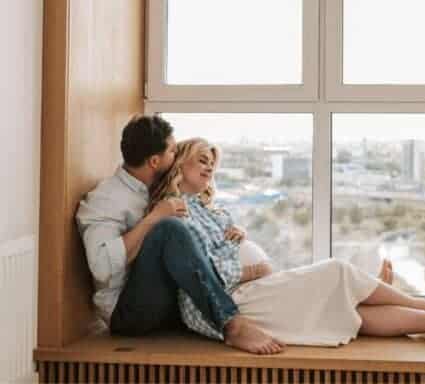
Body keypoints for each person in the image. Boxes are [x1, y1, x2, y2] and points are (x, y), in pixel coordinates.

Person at [148, 138, 425, 354]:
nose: (209, 166)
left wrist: (239, 239)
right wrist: (254, 268)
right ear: (179, 165)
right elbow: (200, 272)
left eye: (212, 161)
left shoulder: (211, 210)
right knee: (336, 271)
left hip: (251, 292)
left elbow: (221, 252)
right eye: (201, 159)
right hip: (226, 305)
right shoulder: (175, 211)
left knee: (347, 313)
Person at [76, 115, 284, 354]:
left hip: (167, 300)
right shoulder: (107, 199)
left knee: (176, 228)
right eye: (173, 151)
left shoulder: (153, 189)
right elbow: (101, 267)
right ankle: (232, 325)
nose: (176, 156)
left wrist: (235, 233)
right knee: (169, 228)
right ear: (155, 161)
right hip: (127, 312)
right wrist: (154, 218)